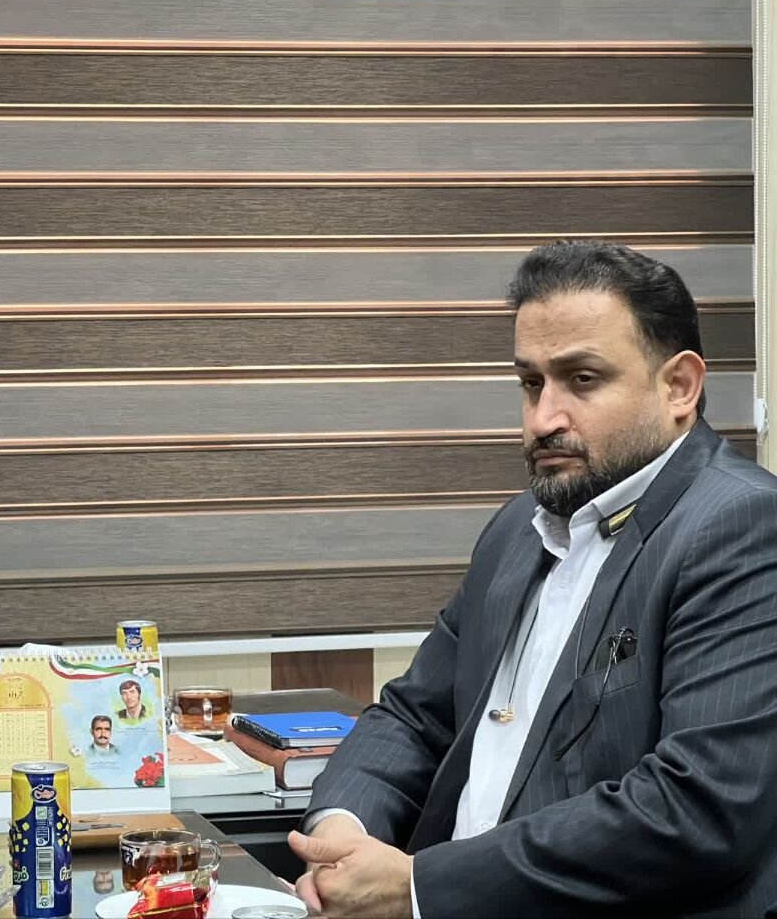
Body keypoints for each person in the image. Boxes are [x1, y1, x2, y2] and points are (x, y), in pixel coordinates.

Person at [290, 241, 777, 917]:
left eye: (582, 379)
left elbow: (696, 810)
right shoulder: (520, 529)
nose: (543, 419)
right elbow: (414, 717)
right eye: (530, 383)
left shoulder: (741, 525)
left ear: (679, 387)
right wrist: (343, 830)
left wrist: (421, 888)